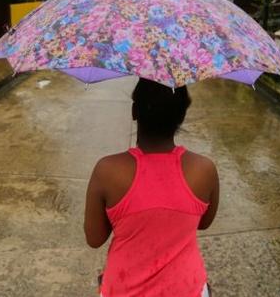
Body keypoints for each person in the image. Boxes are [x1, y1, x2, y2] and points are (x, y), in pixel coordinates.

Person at [83, 78, 220, 297]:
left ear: (134, 111)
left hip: (123, 288)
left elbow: (94, 238)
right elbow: (203, 223)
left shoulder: (107, 170)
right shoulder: (204, 170)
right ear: (182, 115)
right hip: (187, 288)